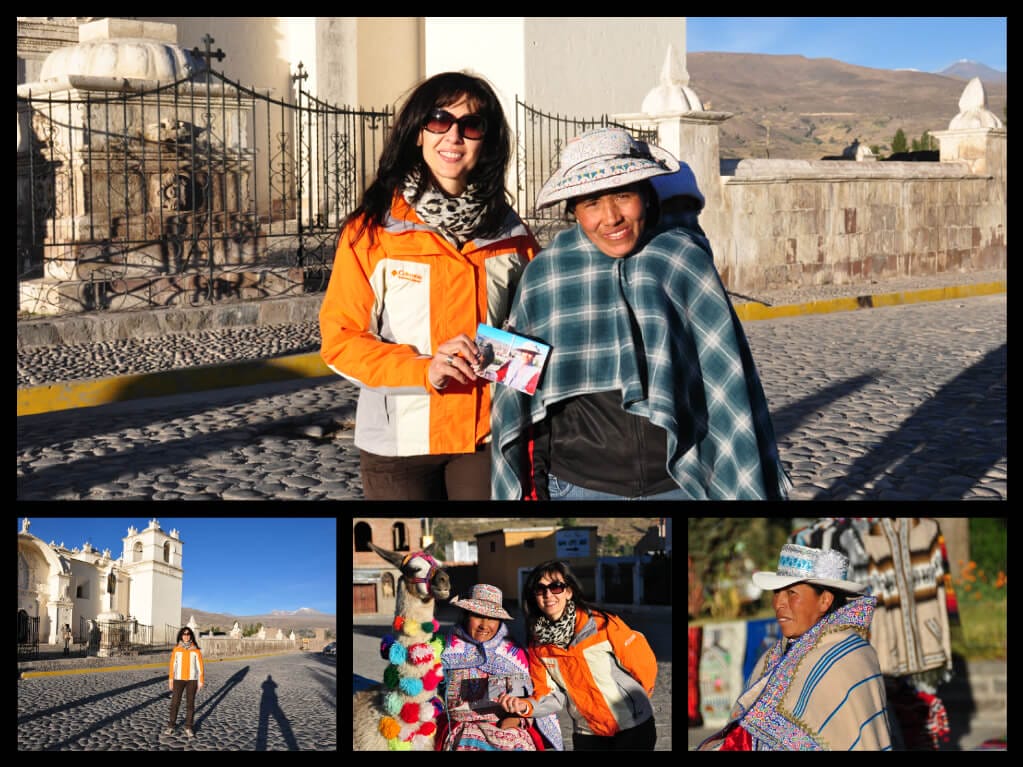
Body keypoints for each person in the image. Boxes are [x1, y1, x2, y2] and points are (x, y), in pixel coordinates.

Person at [490, 126, 789, 500]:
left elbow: (727, 381)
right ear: (574, 211)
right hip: (579, 485)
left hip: (683, 482)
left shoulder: (683, 261)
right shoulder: (544, 275)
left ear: (646, 197)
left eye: (623, 195)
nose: (611, 217)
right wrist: (533, 479)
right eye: (591, 203)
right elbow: (513, 393)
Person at [319, 70, 539, 500]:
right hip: (398, 445)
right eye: (440, 120)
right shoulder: (372, 231)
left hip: (483, 437)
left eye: (471, 125)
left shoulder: (513, 236)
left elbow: (534, 334)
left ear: (487, 141)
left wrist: (503, 358)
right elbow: (341, 339)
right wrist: (424, 370)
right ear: (418, 132)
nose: (453, 136)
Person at [696, 544, 892, 751]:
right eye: (777, 592)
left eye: (791, 593)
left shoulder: (849, 658)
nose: (778, 603)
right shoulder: (775, 656)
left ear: (825, 600)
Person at [497, 560, 658, 751]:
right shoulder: (538, 646)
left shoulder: (603, 624)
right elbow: (547, 693)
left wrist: (637, 702)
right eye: (540, 589)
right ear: (534, 596)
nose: (548, 594)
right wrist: (525, 706)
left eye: (556, 587)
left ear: (569, 592)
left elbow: (643, 664)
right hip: (587, 733)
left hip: (633, 727)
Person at [436, 584, 562, 751]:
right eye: (477, 616)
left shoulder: (513, 655)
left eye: (492, 618)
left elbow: (527, 700)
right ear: (466, 616)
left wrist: (516, 719)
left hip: (505, 729)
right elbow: (432, 699)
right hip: (460, 728)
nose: (484, 625)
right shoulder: (444, 650)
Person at [164, 627, 205, 739]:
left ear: (191, 636)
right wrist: (171, 679)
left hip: (192, 680)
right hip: (178, 679)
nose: (186, 636)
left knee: (190, 704)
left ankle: (188, 727)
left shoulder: (196, 650)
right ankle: (171, 725)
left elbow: (200, 666)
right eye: (184, 634)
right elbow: (172, 665)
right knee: (175, 703)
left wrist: (201, 680)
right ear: (181, 636)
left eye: (188, 634)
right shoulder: (177, 649)